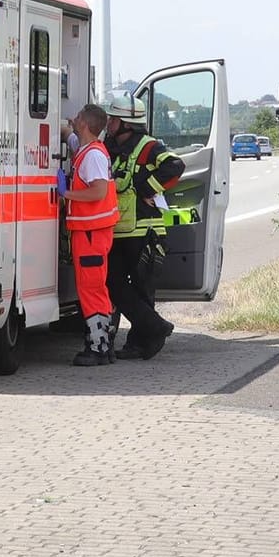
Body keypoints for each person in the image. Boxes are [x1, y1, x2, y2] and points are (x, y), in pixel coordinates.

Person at [103, 95, 186, 360]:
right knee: (112, 283)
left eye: (113, 119)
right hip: (118, 229)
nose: (109, 123)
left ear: (127, 123)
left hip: (145, 230)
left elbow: (175, 166)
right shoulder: (110, 145)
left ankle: (141, 343)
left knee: (141, 287)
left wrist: (147, 188)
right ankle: (156, 327)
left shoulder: (149, 146)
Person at [62, 104, 120, 366]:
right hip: (91, 232)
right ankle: (103, 345)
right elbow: (70, 135)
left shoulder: (93, 156)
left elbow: (97, 192)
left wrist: (66, 194)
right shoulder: (88, 151)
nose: (74, 119)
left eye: (77, 117)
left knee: (91, 290)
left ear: (85, 124)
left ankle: (97, 347)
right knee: (95, 288)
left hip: (91, 233)